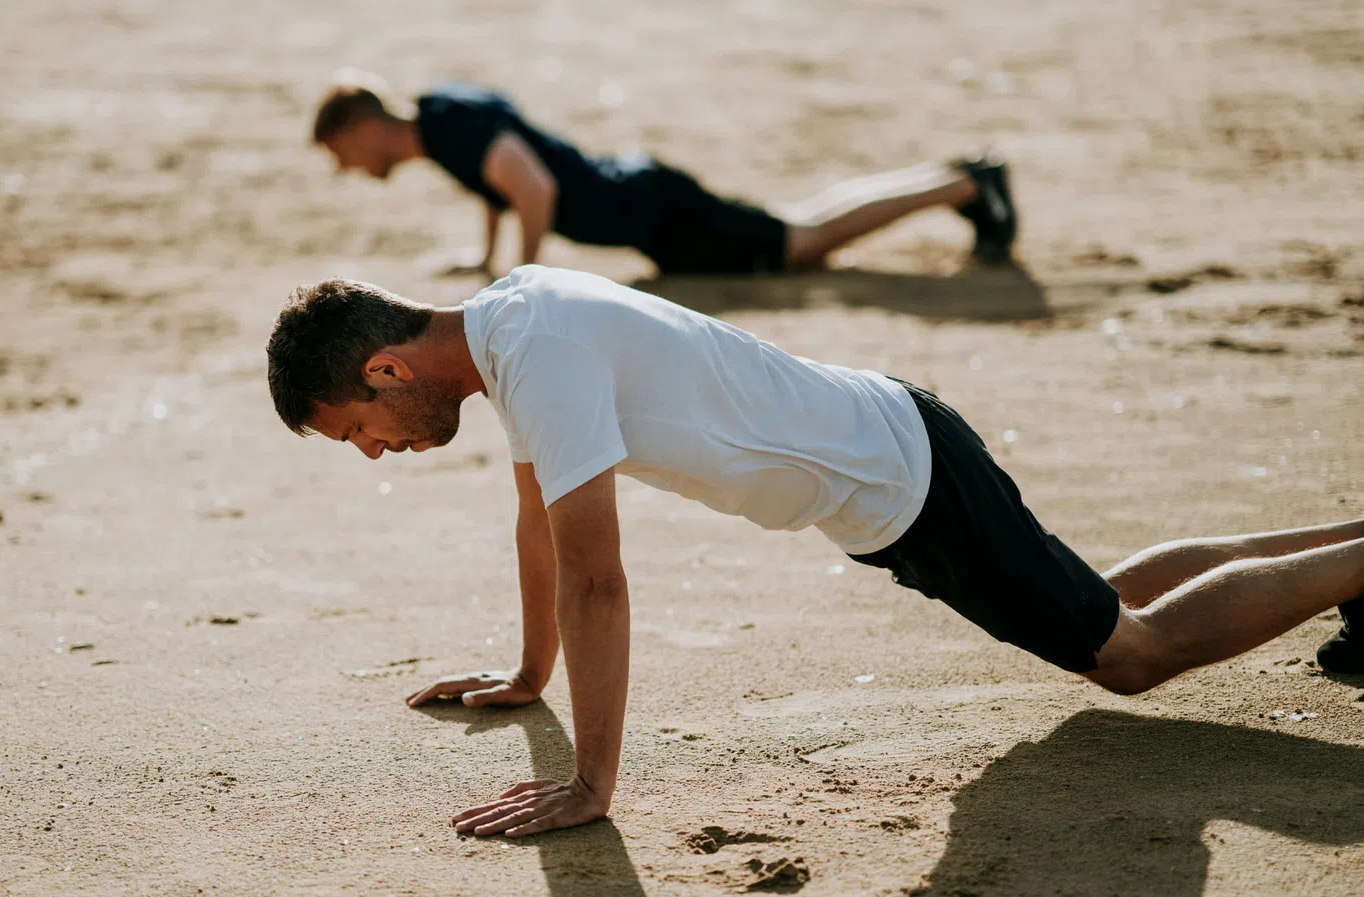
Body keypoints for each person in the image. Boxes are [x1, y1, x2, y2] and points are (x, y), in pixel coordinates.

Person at [265, 265, 1363, 838]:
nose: (372, 453)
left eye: (355, 430)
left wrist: (591, 783)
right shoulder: (512, 324)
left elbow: (597, 580)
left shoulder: (535, 355)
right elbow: (537, 524)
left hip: (902, 481)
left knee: (1127, 654)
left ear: (385, 372)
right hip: (894, 453)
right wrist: (526, 673)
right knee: (1105, 599)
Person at [311, 75, 1017, 276]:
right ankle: (955, 178)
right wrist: (487, 256)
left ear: (361, 127)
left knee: (802, 242)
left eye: (341, 154)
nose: (349, 168)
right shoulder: (440, 119)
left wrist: (522, 278)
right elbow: (501, 185)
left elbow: (534, 188)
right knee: (798, 225)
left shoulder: (449, 131)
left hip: (653, 212)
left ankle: (964, 185)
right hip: (647, 202)